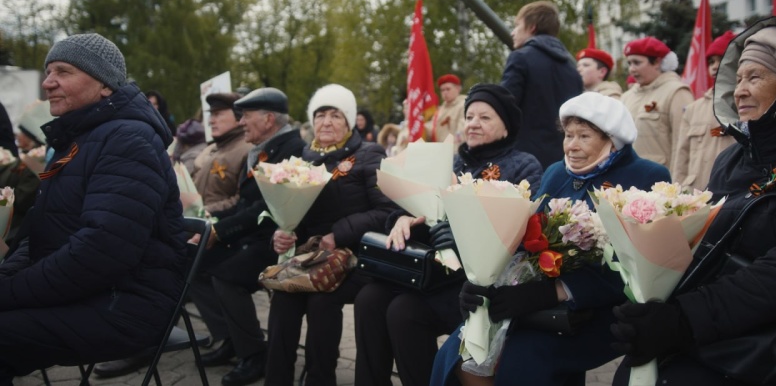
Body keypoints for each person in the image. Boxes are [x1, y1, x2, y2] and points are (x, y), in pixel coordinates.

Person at [431, 91, 671, 386]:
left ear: (612, 140)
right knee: (459, 353)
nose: (572, 146)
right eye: (568, 135)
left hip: (600, 310)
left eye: (584, 136)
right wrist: (483, 280)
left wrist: (556, 291)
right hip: (533, 302)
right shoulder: (557, 173)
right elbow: (525, 234)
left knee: (521, 359)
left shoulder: (646, 176)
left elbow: (641, 266)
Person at [611, 17, 776, 385]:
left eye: (756, 77)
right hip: (710, 333)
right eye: (739, 78)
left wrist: (684, 319)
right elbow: (704, 243)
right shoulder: (732, 159)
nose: (739, 91)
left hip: (769, 350)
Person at [0, 33, 187, 384]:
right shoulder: (82, 137)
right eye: (48, 71)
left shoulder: (127, 139)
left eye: (63, 71)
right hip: (93, 292)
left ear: (104, 85)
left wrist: (9, 292)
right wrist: (7, 278)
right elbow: (43, 233)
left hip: (125, 305)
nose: (48, 82)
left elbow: (102, 251)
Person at [353, 84, 544, 386]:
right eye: (469, 116)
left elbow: (520, 229)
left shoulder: (523, 165)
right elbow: (408, 204)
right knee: (369, 298)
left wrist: (460, 234)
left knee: (404, 312)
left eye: (485, 117)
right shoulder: (451, 161)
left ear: (506, 127)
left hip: (480, 282)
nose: (473, 124)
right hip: (433, 270)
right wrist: (402, 219)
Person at [265, 83, 398, 386]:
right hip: (313, 257)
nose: (327, 122)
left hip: (357, 258)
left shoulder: (369, 154)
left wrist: (338, 234)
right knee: (284, 299)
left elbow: (386, 212)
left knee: (321, 301)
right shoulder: (302, 159)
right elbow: (295, 213)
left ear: (349, 122)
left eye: (336, 115)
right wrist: (285, 234)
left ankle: (320, 379)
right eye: (321, 114)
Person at [190, 87, 305, 386]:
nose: (241, 122)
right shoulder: (266, 146)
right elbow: (246, 205)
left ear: (268, 119)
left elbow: (265, 207)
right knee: (195, 261)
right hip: (255, 234)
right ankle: (230, 338)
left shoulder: (290, 148)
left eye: (246, 116)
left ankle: (254, 353)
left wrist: (220, 230)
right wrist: (209, 226)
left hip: (277, 241)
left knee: (227, 277)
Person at [501, 0, 583, 169]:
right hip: (564, 161)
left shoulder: (520, 58)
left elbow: (504, 107)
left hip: (523, 161)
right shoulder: (572, 69)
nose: (512, 32)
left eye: (517, 26)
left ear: (532, 27)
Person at [673, 31, 737, 190]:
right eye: (711, 61)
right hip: (697, 195)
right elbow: (681, 159)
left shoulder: (748, 106)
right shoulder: (694, 109)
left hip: (734, 193)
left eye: (722, 59)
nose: (715, 66)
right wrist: (678, 194)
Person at [621, 36, 694, 173]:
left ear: (657, 62)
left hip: (661, 183)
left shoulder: (676, 92)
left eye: (637, 63)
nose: (631, 69)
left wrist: (678, 184)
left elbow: (684, 143)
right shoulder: (626, 97)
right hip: (628, 180)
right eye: (629, 63)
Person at [192, 92, 251, 214]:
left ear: (238, 118)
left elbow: (243, 200)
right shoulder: (210, 149)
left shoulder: (247, 150)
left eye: (217, 114)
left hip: (224, 228)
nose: (211, 121)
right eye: (211, 115)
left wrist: (206, 211)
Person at [425, 74, 467, 148]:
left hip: (456, 150)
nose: (445, 92)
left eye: (448, 89)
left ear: (458, 88)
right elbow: (431, 129)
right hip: (441, 150)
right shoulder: (440, 110)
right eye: (442, 90)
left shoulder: (464, 105)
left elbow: (462, 133)